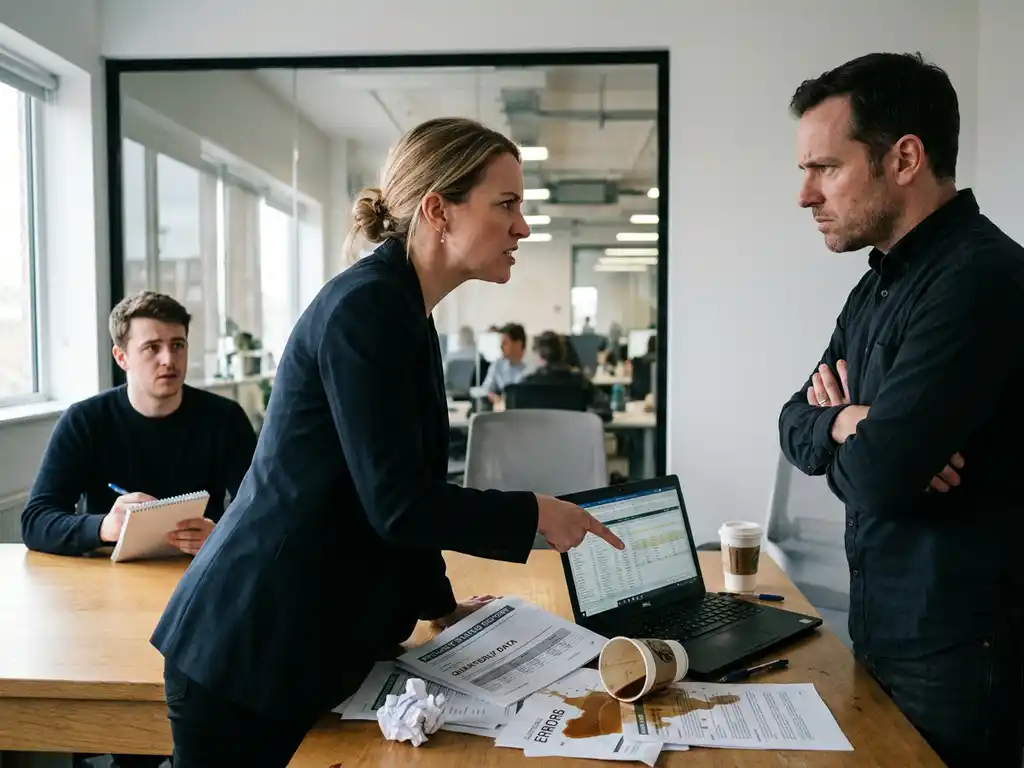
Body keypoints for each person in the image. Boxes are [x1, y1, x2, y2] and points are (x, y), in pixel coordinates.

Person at [151, 117, 625, 767]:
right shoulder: (367, 308)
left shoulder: (405, 309)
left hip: (310, 639)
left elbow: (401, 490)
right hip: (251, 643)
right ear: (438, 210)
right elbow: (398, 504)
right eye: (506, 204)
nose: (522, 227)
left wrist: (441, 607)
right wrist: (535, 512)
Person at [779, 52, 1024, 767]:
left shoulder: (979, 279)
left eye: (825, 168)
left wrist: (874, 444)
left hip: (959, 655)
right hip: (884, 631)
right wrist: (849, 422)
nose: (804, 194)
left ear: (906, 158)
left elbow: (882, 479)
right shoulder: (877, 285)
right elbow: (792, 420)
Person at [21, 291, 256, 768]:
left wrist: (219, 534)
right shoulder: (85, 421)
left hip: (197, 592)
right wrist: (102, 526)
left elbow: (262, 511)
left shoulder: (224, 419)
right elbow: (36, 518)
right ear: (122, 356)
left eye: (178, 345)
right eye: (152, 347)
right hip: (109, 603)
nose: (169, 359)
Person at [480, 321, 529, 401]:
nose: (501, 347)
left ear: (518, 344)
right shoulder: (497, 365)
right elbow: (485, 389)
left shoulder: (532, 368)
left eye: (505, 343)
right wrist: (492, 396)